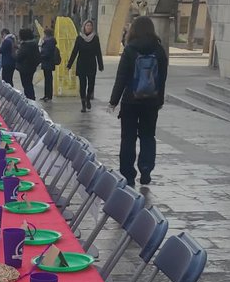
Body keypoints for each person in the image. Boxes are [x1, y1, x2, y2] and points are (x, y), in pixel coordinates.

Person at [108, 15, 169, 188]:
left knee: (128, 138)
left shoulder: (130, 49)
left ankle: (128, 174)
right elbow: (162, 78)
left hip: (130, 101)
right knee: (148, 136)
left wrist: (113, 101)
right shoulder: (159, 50)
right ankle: (146, 170)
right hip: (151, 102)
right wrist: (159, 99)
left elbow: (121, 77)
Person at [67, 18, 104, 111]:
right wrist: (69, 64)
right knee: (82, 84)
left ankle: (88, 98)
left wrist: (100, 65)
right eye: (87, 26)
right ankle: (83, 103)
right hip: (81, 64)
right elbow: (75, 52)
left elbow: (98, 52)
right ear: (84, 27)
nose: (89, 27)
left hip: (91, 64)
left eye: (90, 26)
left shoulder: (95, 38)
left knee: (91, 84)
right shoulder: (79, 38)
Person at [15, 27, 40, 100]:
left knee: (26, 85)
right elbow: (38, 57)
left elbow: (19, 57)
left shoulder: (25, 45)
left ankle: (30, 99)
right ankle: (31, 98)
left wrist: (15, 53)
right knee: (29, 83)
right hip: (31, 67)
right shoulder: (34, 44)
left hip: (24, 68)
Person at [39, 26, 61, 102]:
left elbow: (47, 53)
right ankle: (47, 95)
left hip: (47, 62)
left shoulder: (48, 41)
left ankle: (48, 96)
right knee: (48, 79)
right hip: (48, 62)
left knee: (48, 80)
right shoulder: (50, 41)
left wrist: (41, 56)